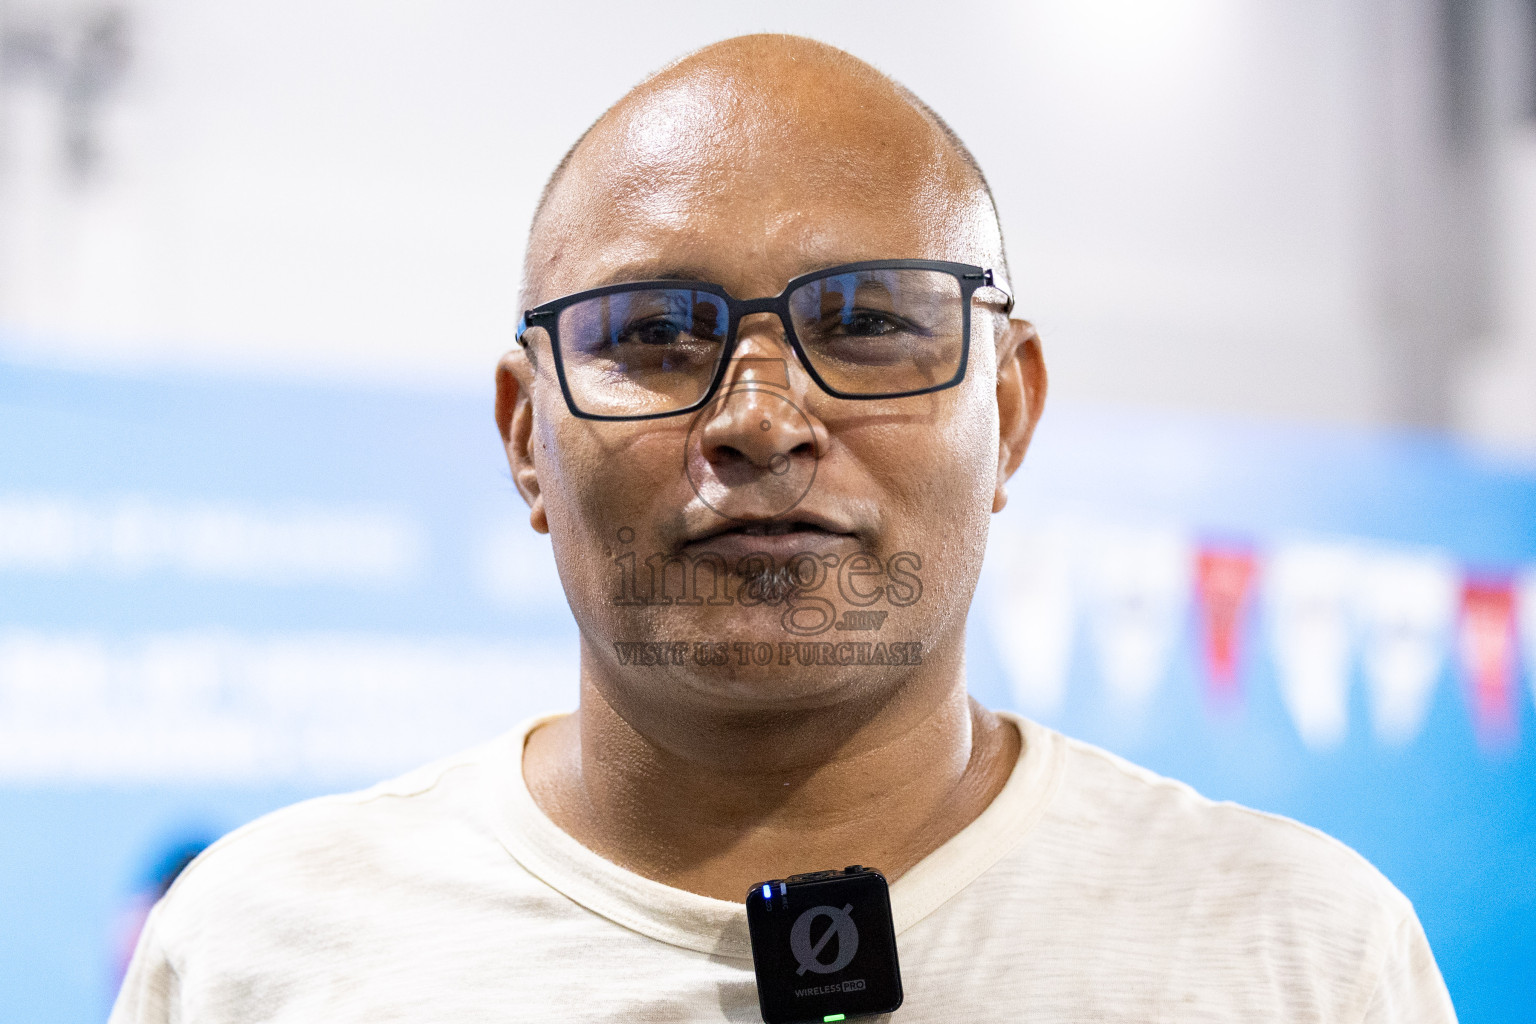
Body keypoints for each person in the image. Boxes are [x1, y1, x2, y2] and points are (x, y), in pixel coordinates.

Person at [110, 34, 1456, 1023]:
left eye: (868, 324)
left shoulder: (1298, 955)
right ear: (527, 437)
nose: (761, 419)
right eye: (649, 334)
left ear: (1015, 410)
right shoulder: (259, 956)